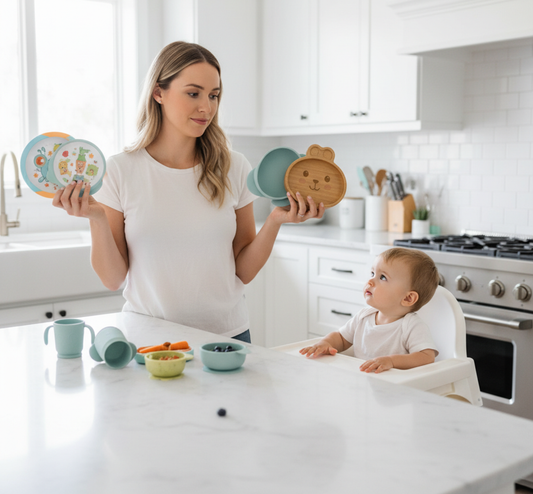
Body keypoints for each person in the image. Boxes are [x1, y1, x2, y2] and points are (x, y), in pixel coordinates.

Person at [52, 41, 324, 342]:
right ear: (158, 93)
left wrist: (274, 222)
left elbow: (243, 272)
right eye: (193, 93)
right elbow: (112, 278)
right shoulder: (120, 171)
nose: (206, 107)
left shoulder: (233, 167)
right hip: (149, 341)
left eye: (214, 95)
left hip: (227, 339)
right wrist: (98, 218)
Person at [300, 247, 439, 372]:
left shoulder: (411, 326)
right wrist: (326, 343)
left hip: (394, 390)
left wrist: (391, 361)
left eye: (382, 277)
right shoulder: (364, 316)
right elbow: (342, 338)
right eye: (372, 273)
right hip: (362, 383)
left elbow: (426, 357)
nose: (370, 281)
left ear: (408, 298)